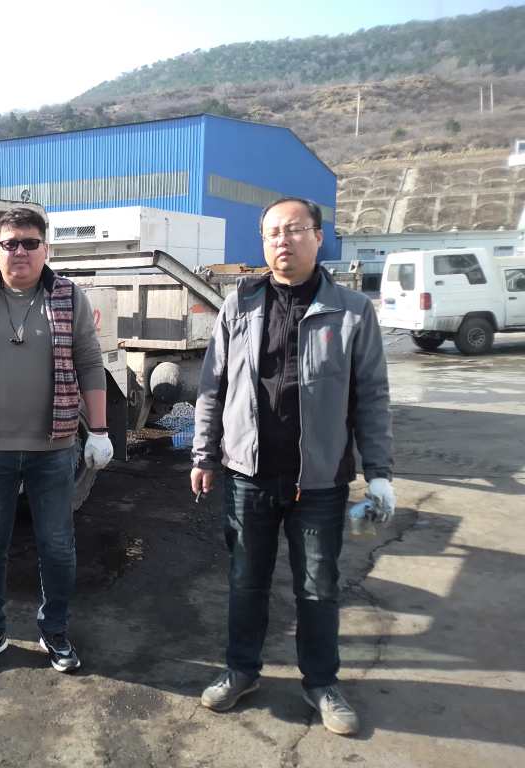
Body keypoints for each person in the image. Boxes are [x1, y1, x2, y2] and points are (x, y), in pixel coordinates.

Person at [191, 197, 395, 736]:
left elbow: (372, 396)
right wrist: (204, 453)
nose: (283, 240)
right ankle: (241, 671)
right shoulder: (240, 304)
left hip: (319, 481)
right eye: (273, 233)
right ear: (263, 242)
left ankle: (321, 682)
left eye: (295, 229)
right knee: (245, 582)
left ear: (318, 237)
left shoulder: (352, 311)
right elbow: (212, 387)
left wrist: (379, 473)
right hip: (248, 475)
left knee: (318, 587)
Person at [0, 206, 114, 676]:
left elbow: (90, 362)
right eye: (10, 243)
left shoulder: (68, 297)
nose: (20, 251)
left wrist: (98, 431)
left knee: (57, 547)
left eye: (30, 243)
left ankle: (54, 630)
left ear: (45, 248)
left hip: (54, 452)